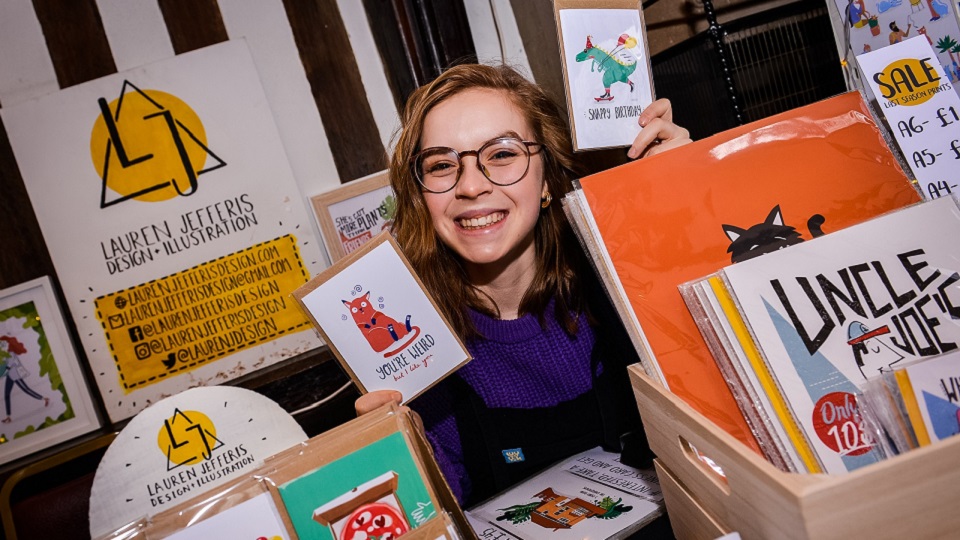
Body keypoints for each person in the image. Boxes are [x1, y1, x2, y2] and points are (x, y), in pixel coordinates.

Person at [355, 63, 691, 510]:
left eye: (502, 154)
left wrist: (692, 199)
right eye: (440, 164)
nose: (471, 185)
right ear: (421, 195)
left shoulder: (624, 284)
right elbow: (441, 508)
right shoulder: (412, 343)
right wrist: (398, 459)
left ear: (549, 175)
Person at [0, 335, 49, 423]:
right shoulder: (6, 354)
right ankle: (8, 416)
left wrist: (2, 374)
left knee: (26, 389)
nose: (2, 345)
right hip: (10, 376)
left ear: (9, 344)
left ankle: (44, 399)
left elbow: (8, 366)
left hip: (15, 376)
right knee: (6, 395)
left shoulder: (11, 354)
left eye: (3, 343)